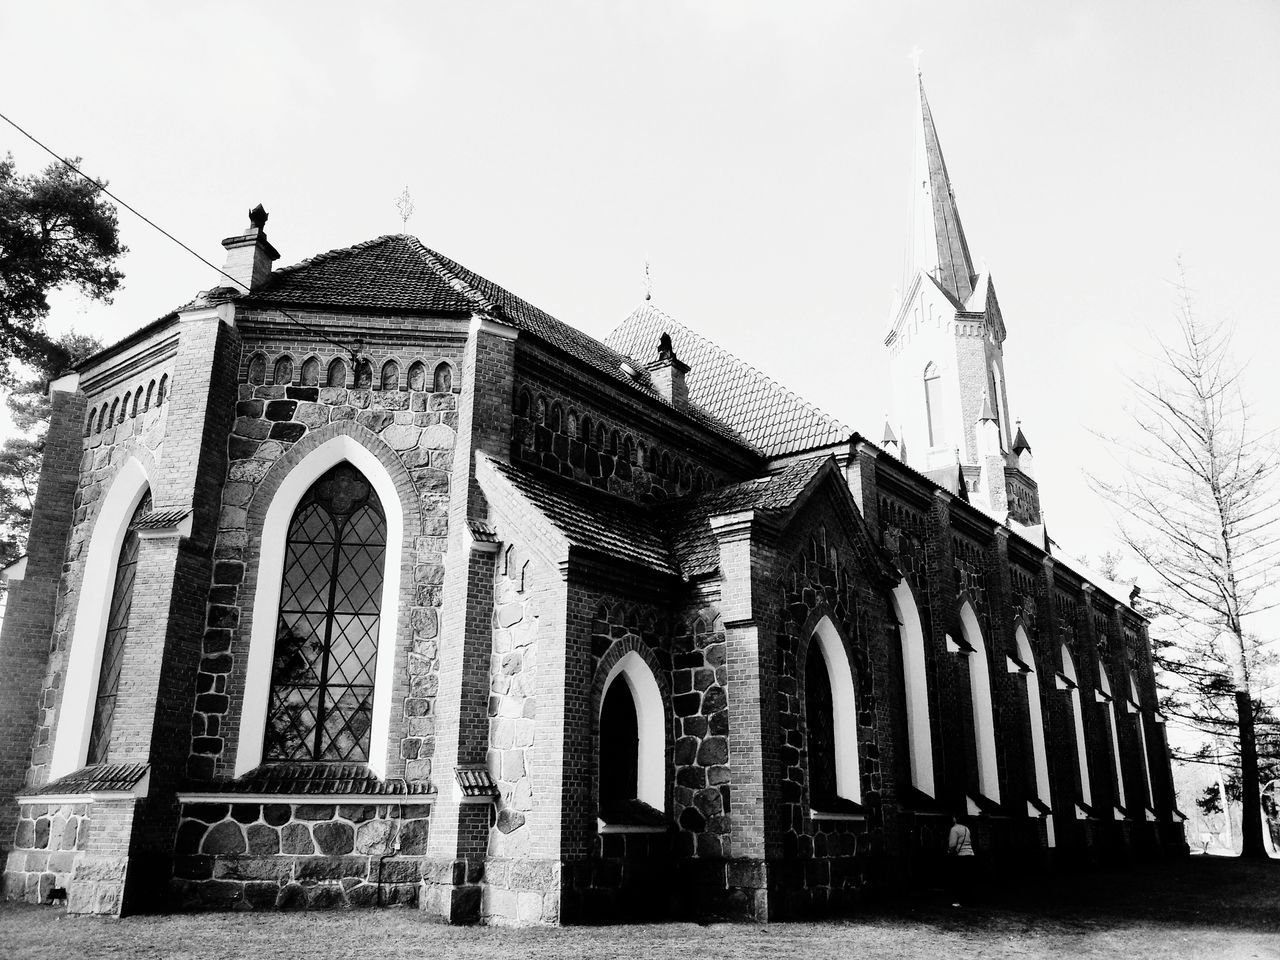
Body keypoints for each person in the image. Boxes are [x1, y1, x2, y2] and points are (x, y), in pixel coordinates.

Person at [946, 815, 976, 907]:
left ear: (955, 819)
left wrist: (948, 852)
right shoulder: (966, 828)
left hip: (960, 856)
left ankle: (959, 901)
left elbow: (952, 845)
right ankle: (969, 900)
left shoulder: (954, 829)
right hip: (970, 854)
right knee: (968, 879)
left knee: (958, 879)